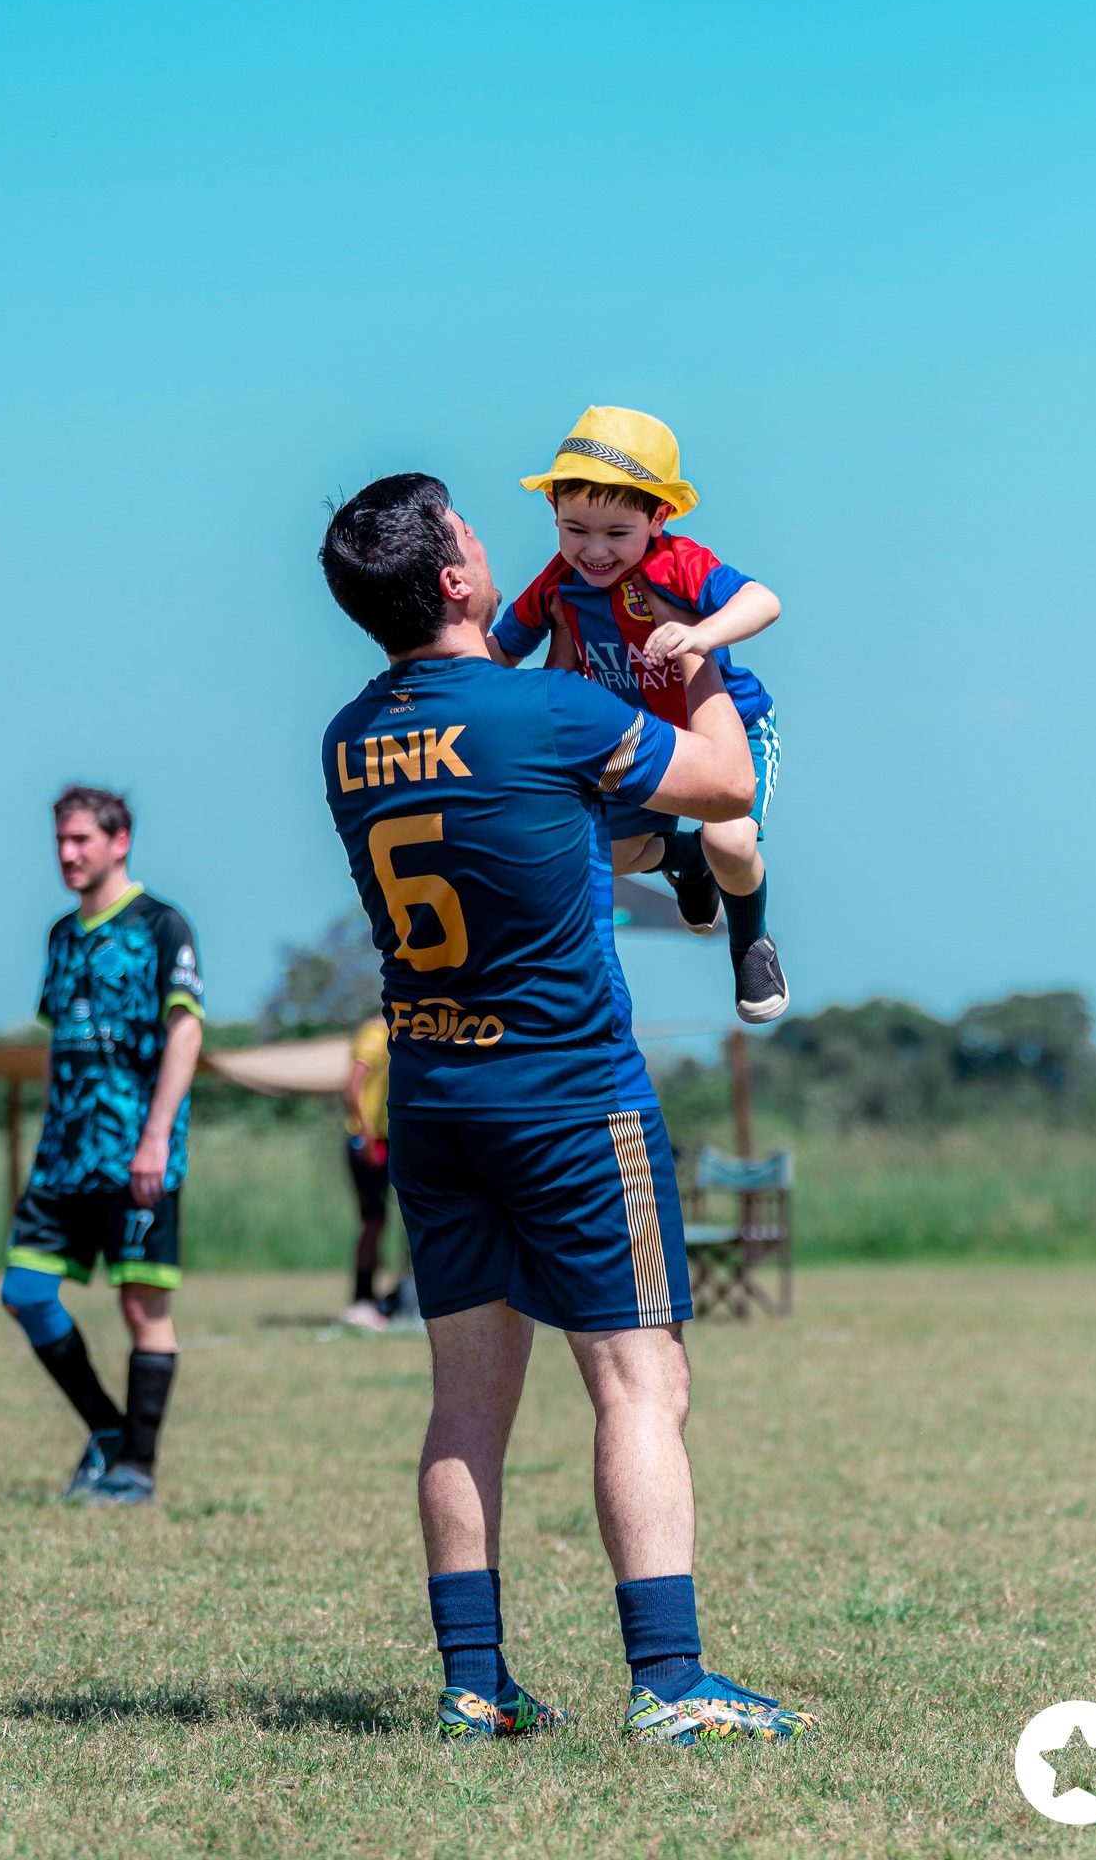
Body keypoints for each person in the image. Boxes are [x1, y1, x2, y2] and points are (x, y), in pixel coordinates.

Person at [320, 473, 817, 1747]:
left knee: (465, 1399)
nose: (500, 544)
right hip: (569, 1096)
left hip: (433, 1096)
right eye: (477, 536)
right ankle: (670, 1679)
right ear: (455, 581)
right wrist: (689, 642)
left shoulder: (346, 738)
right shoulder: (546, 708)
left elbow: (546, 826)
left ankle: (475, 1683)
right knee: (639, 1376)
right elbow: (715, 784)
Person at [489, 404, 788, 1024]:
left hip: (732, 729)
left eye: (616, 533)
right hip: (640, 739)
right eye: (575, 530)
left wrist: (703, 635)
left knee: (729, 842)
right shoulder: (558, 583)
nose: (593, 551)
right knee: (596, 849)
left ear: (660, 516)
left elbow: (764, 600)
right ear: (554, 515)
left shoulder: (678, 565)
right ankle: (681, 860)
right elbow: (498, 652)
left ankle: (750, 942)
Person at [0, 786, 205, 1506]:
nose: (67, 853)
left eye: (81, 839)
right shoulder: (61, 934)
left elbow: (186, 1031)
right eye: (60, 840)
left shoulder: (160, 925)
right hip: (65, 1154)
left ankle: (137, 1471)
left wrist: (155, 1138)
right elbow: (62, 1038)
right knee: (23, 1290)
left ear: (120, 842)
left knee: (140, 1305)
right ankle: (110, 1431)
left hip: (137, 1153)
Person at [341, 1013, 392, 1331]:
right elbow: (353, 1087)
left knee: (382, 1223)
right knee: (372, 1223)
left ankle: (380, 1298)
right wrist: (367, 1134)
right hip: (368, 1143)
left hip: (386, 1140)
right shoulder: (376, 1034)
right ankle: (362, 1302)